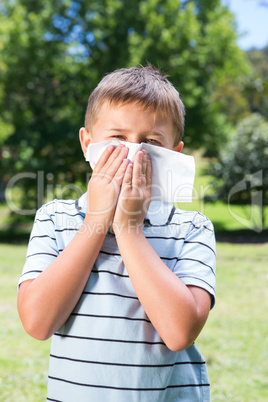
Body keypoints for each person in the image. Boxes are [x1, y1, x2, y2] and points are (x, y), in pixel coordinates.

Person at [17, 65, 216, 401]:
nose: (133, 152)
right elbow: (37, 323)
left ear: (173, 155)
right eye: (118, 138)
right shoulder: (54, 219)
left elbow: (180, 332)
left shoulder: (191, 228)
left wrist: (129, 230)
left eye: (151, 142)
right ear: (87, 143)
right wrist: (97, 218)